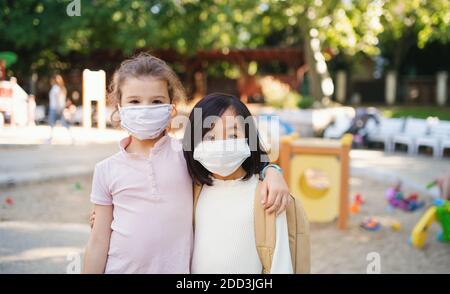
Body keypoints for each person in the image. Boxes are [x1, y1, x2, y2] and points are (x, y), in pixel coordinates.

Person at [83, 53, 291, 274]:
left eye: (156, 101)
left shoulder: (187, 155)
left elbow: (234, 162)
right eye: (134, 101)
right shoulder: (105, 170)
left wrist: (272, 171)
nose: (145, 108)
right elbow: (98, 243)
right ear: (118, 107)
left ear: (171, 108)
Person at [184, 93, 293, 274]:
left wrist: (272, 170)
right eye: (210, 137)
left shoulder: (267, 194)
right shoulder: (192, 190)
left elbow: (281, 264)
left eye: (234, 135)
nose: (223, 145)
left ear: (249, 139)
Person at [48, 74, 72, 143]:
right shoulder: (62, 88)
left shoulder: (55, 88)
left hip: (55, 107)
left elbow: (57, 98)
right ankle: (71, 136)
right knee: (64, 122)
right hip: (60, 107)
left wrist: (58, 108)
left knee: (52, 122)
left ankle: (51, 137)